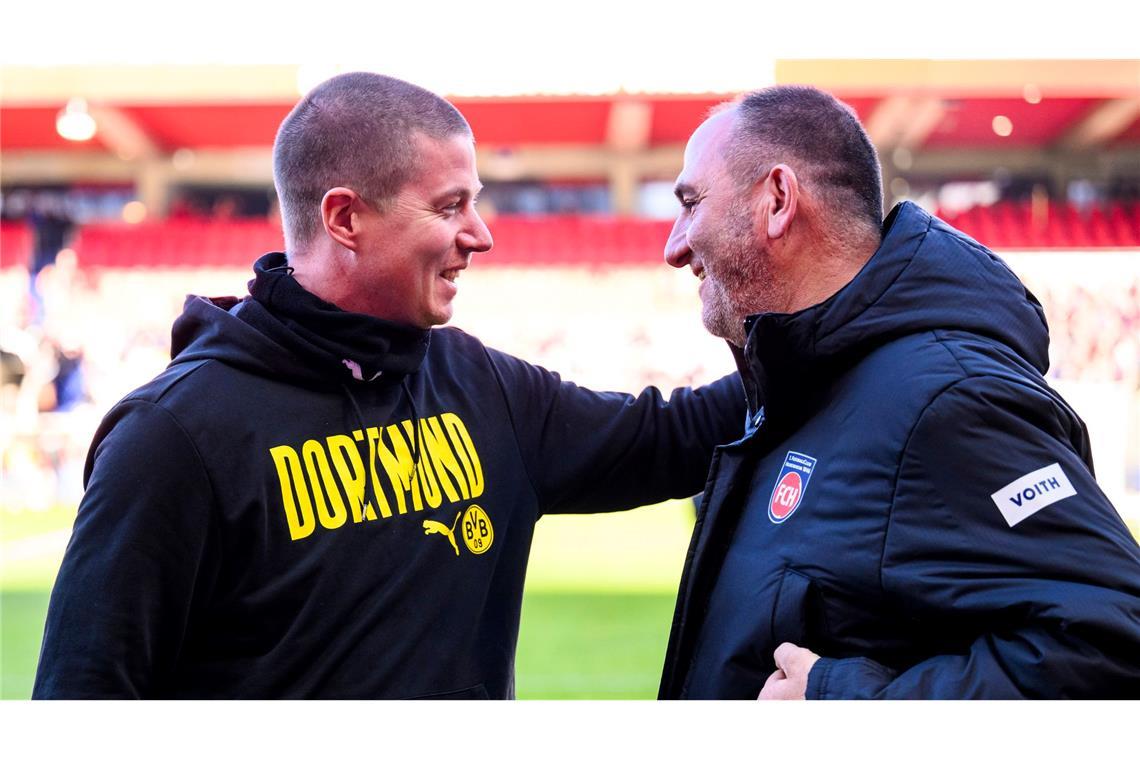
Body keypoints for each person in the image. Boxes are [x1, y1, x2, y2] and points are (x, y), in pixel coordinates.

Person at [32, 72, 745, 699]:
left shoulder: (478, 383)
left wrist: (827, 316)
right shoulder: (173, 436)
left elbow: (677, 436)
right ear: (345, 218)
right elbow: (84, 703)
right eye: (448, 206)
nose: (481, 235)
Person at [657, 85, 1140, 699]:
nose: (674, 247)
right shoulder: (804, 386)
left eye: (690, 203)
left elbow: (1115, 644)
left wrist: (845, 702)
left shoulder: (947, 402)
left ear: (778, 200)